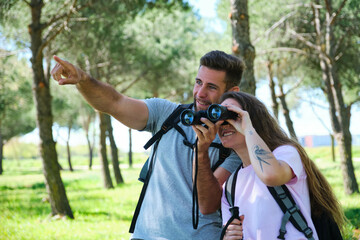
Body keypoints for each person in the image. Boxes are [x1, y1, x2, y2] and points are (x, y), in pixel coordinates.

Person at [51, 50, 245, 239]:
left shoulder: (234, 142)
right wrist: (83, 79)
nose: (200, 93)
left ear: (231, 92)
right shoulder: (166, 114)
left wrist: (201, 152)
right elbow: (114, 103)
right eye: (198, 82)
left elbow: (208, 204)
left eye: (211, 87)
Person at [192, 91, 345, 240]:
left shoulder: (285, 154)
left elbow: (270, 175)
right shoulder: (230, 186)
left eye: (232, 116)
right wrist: (228, 236)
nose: (224, 125)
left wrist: (248, 129)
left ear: (252, 119)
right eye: (219, 119)